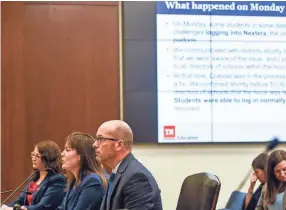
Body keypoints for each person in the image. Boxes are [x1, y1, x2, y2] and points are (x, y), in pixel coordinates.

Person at [93, 120, 162, 210]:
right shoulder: (117, 173)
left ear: (119, 145)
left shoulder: (137, 178)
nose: (94, 144)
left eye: (100, 139)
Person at [6, 140, 66, 210]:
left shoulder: (57, 180)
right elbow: (20, 200)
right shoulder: (34, 178)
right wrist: (6, 207)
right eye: (33, 154)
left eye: (37, 156)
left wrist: (24, 209)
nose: (33, 158)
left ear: (48, 158)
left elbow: (44, 207)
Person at [58, 132, 107, 210]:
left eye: (67, 150)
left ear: (81, 156)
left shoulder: (92, 181)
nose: (62, 154)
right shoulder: (74, 180)